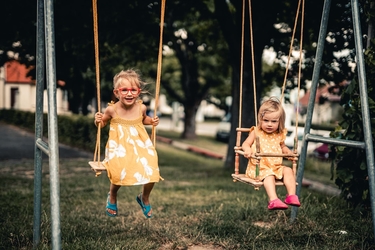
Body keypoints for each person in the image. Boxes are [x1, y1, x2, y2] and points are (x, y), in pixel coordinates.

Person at [94, 69, 161, 218]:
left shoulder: (141, 107)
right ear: (117, 93)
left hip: (140, 144)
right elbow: (103, 123)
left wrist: (152, 121)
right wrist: (98, 120)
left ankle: (144, 197)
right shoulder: (112, 110)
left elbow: (143, 119)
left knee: (152, 169)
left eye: (133, 90)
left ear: (138, 92)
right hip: (119, 146)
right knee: (119, 170)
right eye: (124, 90)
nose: (129, 93)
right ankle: (112, 195)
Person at [242, 97, 301, 210]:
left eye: (274, 121)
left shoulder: (279, 134)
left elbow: (282, 146)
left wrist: (287, 152)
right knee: (269, 175)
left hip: (275, 167)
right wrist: (247, 150)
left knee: (288, 170)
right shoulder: (256, 131)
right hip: (259, 168)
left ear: (280, 122)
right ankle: (273, 199)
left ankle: (291, 196)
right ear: (260, 119)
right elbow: (245, 144)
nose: (269, 124)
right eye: (266, 120)